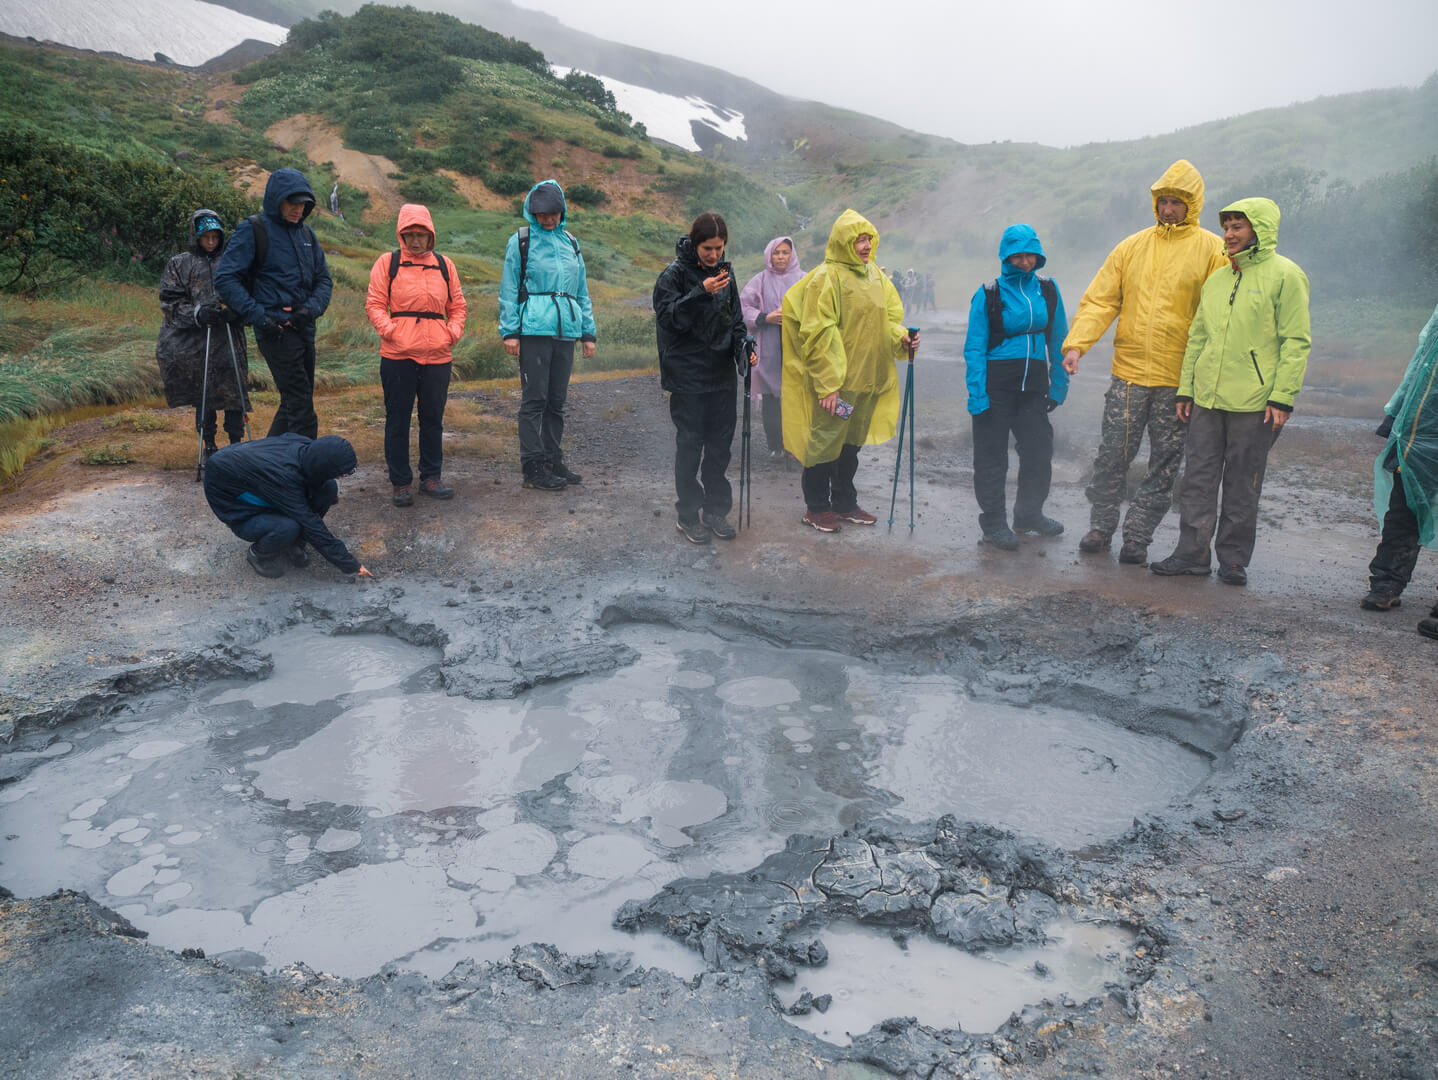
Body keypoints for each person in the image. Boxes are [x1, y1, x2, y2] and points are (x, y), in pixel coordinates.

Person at [1063, 160, 1228, 565]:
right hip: (1129, 375)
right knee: (1112, 454)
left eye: (1176, 202)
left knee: (1165, 462)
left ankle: (1137, 537)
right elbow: (1102, 300)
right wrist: (1077, 344)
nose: (1168, 209)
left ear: (1193, 205)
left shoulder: (1212, 250)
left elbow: (1220, 314)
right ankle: (1101, 526)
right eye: (1163, 201)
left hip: (1178, 380)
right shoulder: (1131, 247)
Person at [1151, 198, 1311, 586]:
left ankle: (1234, 561)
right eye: (1227, 227)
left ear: (1260, 230)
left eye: (1238, 227)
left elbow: (1296, 341)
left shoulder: (1286, 275)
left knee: (1243, 481)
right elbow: (1198, 337)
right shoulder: (1219, 278)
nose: (1229, 234)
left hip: (1255, 404)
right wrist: (1186, 389)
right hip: (1207, 399)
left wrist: (1282, 397)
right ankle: (1191, 554)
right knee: (1198, 479)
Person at [780, 208, 917, 533]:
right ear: (844, 243)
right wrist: (828, 385)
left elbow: (889, 320)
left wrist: (904, 339)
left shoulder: (876, 277)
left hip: (867, 382)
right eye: (859, 240)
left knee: (850, 445)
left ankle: (844, 502)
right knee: (825, 442)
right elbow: (818, 331)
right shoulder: (828, 277)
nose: (867, 246)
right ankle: (816, 507)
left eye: (869, 238)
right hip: (837, 386)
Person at [961, 224, 1070, 550]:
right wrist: (977, 394)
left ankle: (1028, 515)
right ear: (1006, 257)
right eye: (1017, 256)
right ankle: (994, 523)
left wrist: (1059, 385)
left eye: (1030, 255)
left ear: (1038, 256)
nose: (1025, 262)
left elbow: (1059, 339)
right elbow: (974, 348)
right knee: (992, 458)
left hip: (1034, 385)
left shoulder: (1048, 290)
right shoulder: (989, 293)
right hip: (996, 385)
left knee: (1039, 452)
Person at [214, 168, 332, 440]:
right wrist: (260, 316)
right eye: (292, 202)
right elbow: (225, 279)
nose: (298, 209)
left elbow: (324, 281)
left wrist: (309, 311)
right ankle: (305, 474)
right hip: (274, 331)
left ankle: (262, 464)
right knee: (301, 407)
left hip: (304, 329)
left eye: (303, 203)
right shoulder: (253, 229)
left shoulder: (307, 236)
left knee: (292, 403)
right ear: (276, 200)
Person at [654, 211, 747, 544]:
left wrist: (743, 352)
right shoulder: (674, 275)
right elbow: (668, 318)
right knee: (690, 447)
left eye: (719, 248)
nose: (714, 255)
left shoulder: (726, 273)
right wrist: (700, 292)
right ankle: (688, 515)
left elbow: (735, 321)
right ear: (695, 244)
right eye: (708, 248)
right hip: (687, 376)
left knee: (720, 448)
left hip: (722, 377)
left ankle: (716, 510)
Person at [366, 203, 467, 507]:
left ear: (430, 234)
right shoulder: (388, 263)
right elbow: (374, 303)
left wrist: (452, 333)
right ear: (401, 234)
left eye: (421, 234)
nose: (415, 240)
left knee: (432, 418)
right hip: (398, 355)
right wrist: (392, 331)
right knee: (397, 419)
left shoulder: (445, 265)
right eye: (409, 234)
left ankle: (431, 477)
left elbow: (458, 306)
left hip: (438, 354)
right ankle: (400, 482)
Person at [498, 179, 597, 491]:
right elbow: (509, 288)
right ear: (532, 211)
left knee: (556, 401)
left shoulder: (571, 242)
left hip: (566, 331)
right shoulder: (521, 241)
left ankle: (554, 460)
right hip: (533, 331)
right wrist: (510, 331)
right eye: (542, 213)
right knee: (534, 400)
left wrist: (588, 332)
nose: (548, 219)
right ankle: (533, 468)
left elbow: (581, 290)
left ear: (562, 211)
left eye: (553, 213)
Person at [1361, 303, 1438, 632]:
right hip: (1422, 424)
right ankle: (1386, 584)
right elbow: (1423, 359)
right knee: (1405, 504)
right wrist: (1396, 409)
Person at [203, 434, 372, 580]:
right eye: (340, 473)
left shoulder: (305, 447)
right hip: (234, 501)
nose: (341, 477)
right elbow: (309, 522)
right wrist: (351, 564)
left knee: (328, 488)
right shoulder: (284, 478)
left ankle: (294, 543)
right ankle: (258, 554)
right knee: (289, 526)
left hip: (259, 483)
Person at [156, 209, 249, 458]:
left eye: (215, 237)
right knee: (204, 393)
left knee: (234, 392)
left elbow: (249, 291)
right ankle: (209, 444)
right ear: (195, 236)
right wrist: (198, 313)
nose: (210, 242)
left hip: (229, 339)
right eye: (205, 237)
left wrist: (237, 311)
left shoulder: (232, 260)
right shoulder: (179, 263)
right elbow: (169, 303)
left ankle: (236, 443)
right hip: (198, 341)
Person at [739, 236, 804, 458]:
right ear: (769, 255)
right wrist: (765, 317)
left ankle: (794, 445)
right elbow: (743, 307)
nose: (780, 257)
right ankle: (775, 445)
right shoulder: (760, 280)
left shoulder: (805, 280)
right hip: (769, 348)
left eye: (785, 252)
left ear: (792, 254)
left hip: (798, 348)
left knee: (796, 398)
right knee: (771, 399)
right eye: (776, 253)